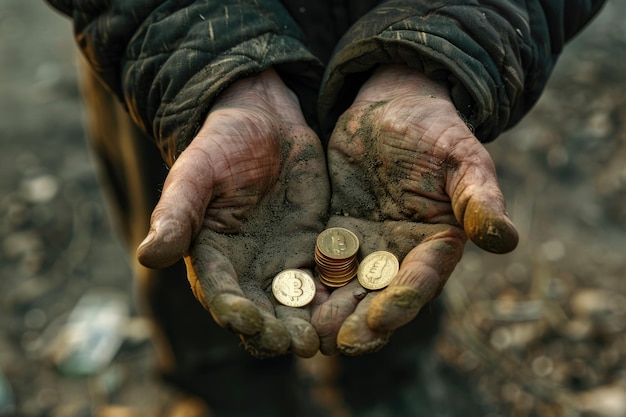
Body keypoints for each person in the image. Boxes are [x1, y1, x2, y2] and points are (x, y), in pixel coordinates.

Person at [45, 1, 606, 416]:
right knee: (202, 234)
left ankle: (388, 384)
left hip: (418, 46)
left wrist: (440, 49)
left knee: (407, 240)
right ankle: (227, 395)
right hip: (171, 58)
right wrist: (202, 62)